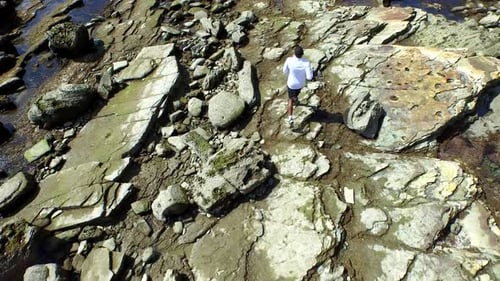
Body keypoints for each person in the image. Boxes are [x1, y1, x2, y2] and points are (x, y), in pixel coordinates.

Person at [283, 45, 313, 127]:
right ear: (302, 54)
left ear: (294, 53)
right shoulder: (306, 63)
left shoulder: (289, 60)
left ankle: (290, 118)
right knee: (295, 95)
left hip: (291, 84)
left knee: (290, 100)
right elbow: (309, 77)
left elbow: (284, 71)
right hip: (300, 84)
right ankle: (295, 99)